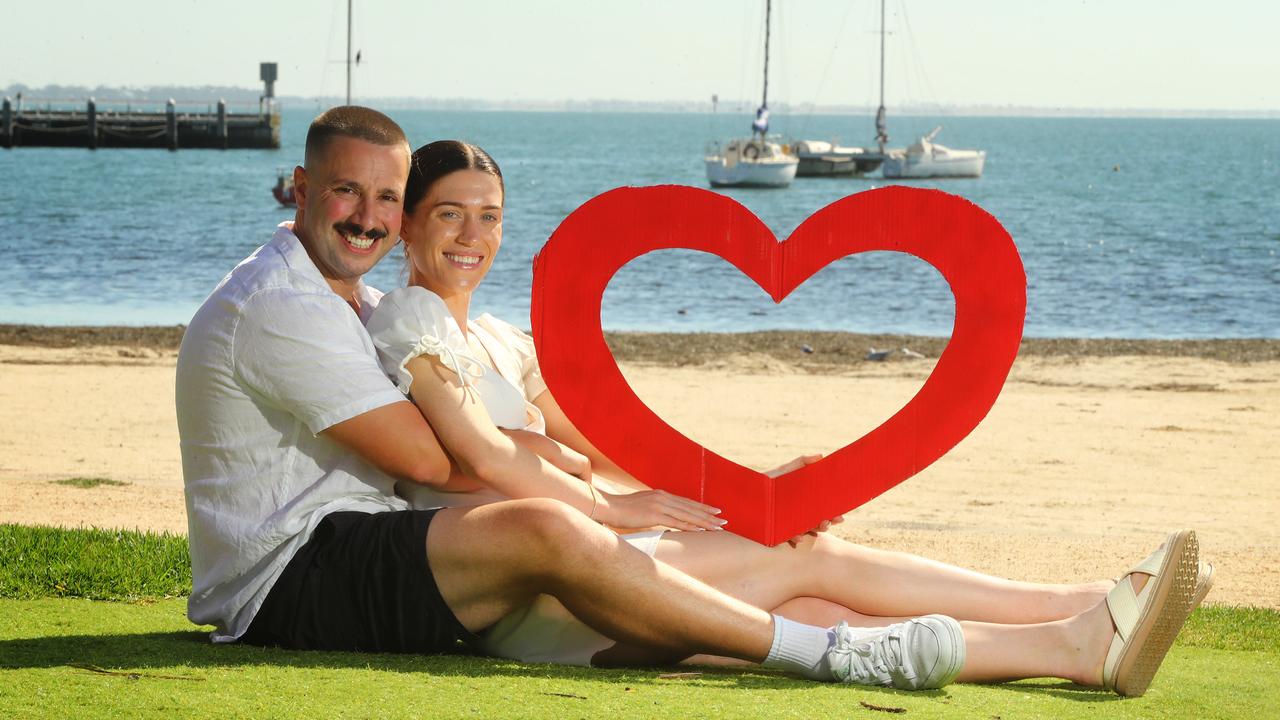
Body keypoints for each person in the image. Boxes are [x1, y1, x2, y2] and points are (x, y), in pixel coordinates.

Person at [361, 138, 1209, 697]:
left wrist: (753, 487)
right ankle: (1094, 602)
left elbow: (611, 446)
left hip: (593, 557)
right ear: (407, 223)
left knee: (813, 616)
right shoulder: (408, 322)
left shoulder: (506, 339)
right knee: (812, 556)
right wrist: (618, 510)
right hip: (535, 589)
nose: (472, 235)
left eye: (490, 216)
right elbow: (484, 454)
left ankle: (1078, 642)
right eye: (450, 214)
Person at [176, 105, 970, 693]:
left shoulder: (359, 303)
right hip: (292, 573)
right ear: (302, 188)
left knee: (801, 561)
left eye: (384, 196)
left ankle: (1070, 631)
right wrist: (595, 497)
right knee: (552, 524)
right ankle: (822, 655)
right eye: (349, 192)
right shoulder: (286, 304)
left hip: (364, 542)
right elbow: (433, 455)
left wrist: (744, 488)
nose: (369, 216)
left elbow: (558, 437)